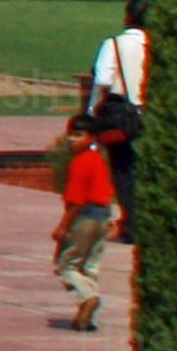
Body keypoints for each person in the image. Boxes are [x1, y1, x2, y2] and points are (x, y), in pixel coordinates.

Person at [48, 116, 120, 335]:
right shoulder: (99, 160)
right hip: (103, 215)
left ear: (91, 138)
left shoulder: (80, 162)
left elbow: (75, 201)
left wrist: (63, 227)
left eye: (78, 135)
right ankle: (86, 318)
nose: (72, 139)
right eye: (71, 134)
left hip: (85, 217)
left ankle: (88, 298)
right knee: (89, 267)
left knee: (66, 266)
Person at [87, 0, 151, 244]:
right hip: (153, 112)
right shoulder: (157, 45)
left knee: (124, 170)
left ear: (128, 17)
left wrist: (92, 111)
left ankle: (131, 224)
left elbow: (103, 80)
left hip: (122, 115)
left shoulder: (114, 44)